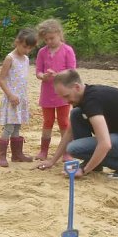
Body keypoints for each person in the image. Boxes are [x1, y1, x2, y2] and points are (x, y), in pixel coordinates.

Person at [37, 69, 118, 180]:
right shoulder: (83, 96)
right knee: (76, 114)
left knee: (74, 148)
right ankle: (95, 165)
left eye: (66, 96)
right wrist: (52, 161)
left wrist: (84, 171)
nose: (65, 101)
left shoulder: (92, 101)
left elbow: (105, 144)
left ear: (77, 87)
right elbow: (69, 133)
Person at [34, 19, 76, 159]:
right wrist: (43, 76)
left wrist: (57, 75)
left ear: (59, 34)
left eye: (52, 38)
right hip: (47, 93)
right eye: (46, 39)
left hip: (63, 94)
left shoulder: (67, 50)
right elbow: (38, 71)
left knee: (64, 122)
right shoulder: (42, 52)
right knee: (47, 122)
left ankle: (67, 151)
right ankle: (43, 151)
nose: (49, 41)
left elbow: (72, 72)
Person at [0, 28, 38, 167]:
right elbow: (1, 79)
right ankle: (1, 156)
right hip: (11, 100)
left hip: (21, 99)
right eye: (25, 46)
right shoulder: (10, 58)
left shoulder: (26, 59)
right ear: (17, 42)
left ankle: (16, 154)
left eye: (30, 48)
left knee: (17, 127)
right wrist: (10, 95)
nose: (27, 50)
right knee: (8, 128)